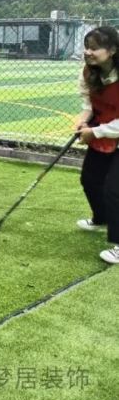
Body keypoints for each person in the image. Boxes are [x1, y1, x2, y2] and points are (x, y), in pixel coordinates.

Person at [73, 26, 119, 265]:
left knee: (114, 189)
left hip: (109, 132)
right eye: (86, 47)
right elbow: (89, 106)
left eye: (94, 48)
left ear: (112, 50)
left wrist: (94, 132)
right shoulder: (88, 73)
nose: (88, 52)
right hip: (103, 133)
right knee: (90, 179)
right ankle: (101, 218)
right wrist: (82, 121)